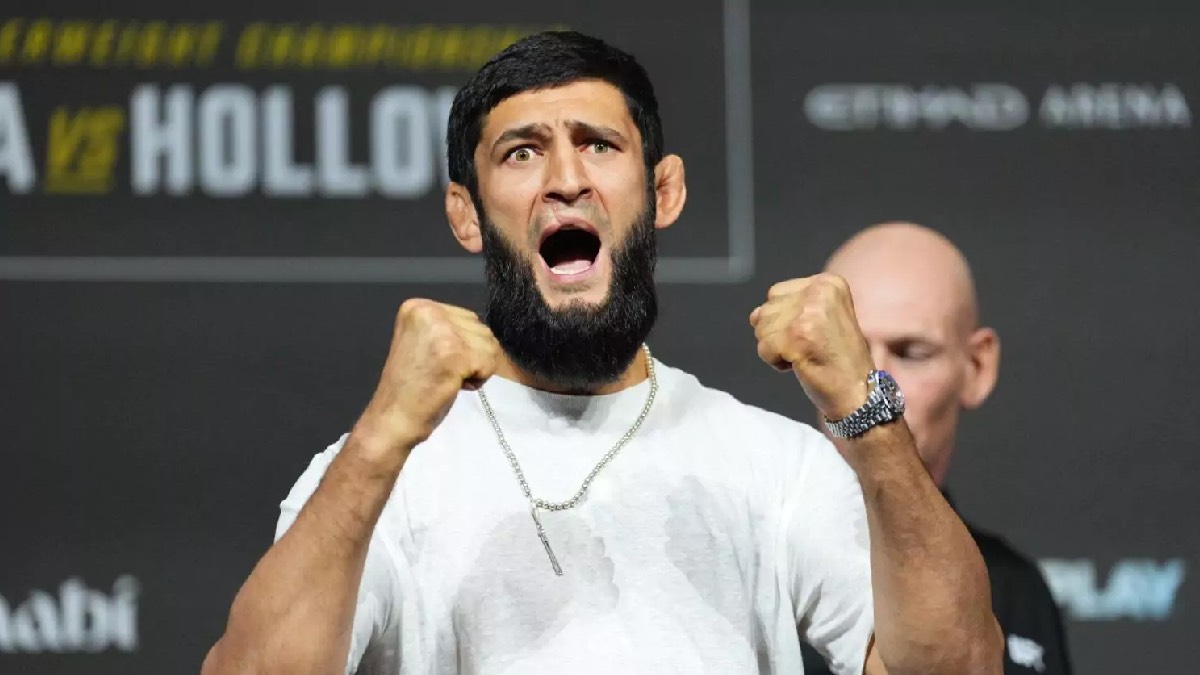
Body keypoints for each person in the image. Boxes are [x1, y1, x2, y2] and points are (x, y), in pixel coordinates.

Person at [200, 32, 1002, 675]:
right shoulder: (379, 477)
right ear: (466, 215)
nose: (565, 180)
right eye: (521, 152)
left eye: (599, 145)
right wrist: (380, 439)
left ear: (663, 192)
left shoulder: (775, 465)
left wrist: (867, 411)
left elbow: (959, 666)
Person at [799, 222, 1073, 675]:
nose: (871, 386)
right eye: (845, 352)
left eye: (911, 352)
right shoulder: (746, 561)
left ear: (977, 366)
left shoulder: (1016, 587)